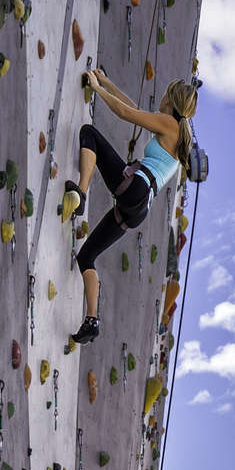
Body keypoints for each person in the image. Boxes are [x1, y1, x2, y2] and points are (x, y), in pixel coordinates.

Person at [62, 68, 198, 345]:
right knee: (86, 255)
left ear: (170, 100)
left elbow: (125, 114)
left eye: (164, 95)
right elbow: (134, 110)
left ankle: (82, 193)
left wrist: (97, 89)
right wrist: (109, 82)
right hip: (138, 209)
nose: (160, 99)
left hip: (135, 185)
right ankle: (92, 320)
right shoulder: (178, 137)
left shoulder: (169, 123)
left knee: (89, 133)